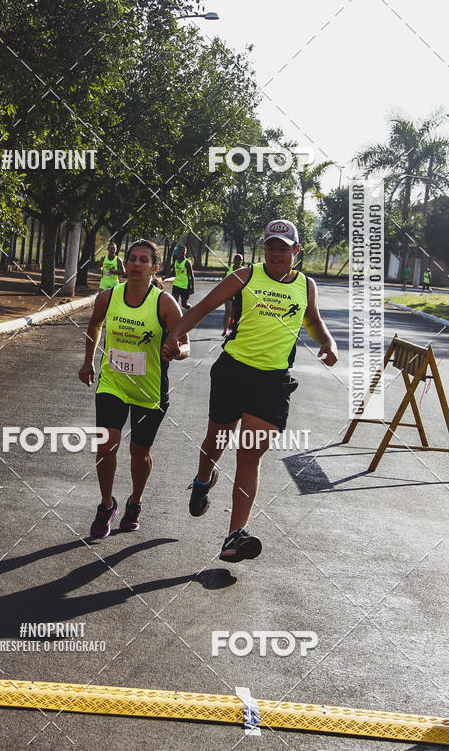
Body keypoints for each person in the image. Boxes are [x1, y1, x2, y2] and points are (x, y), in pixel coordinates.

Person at [162, 219, 338, 563]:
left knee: (249, 454)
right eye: (271, 246)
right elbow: (201, 308)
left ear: (296, 251)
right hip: (233, 372)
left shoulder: (306, 285)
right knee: (216, 441)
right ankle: (202, 480)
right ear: (264, 250)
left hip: (272, 382)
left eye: (283, 248)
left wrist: (328, 343)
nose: (276, 253)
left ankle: (234, 536)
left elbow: (312, 320)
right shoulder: (245, 276)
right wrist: (175, 334)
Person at [79, 239, 190, 538]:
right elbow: (94, 326)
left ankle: (135, 502)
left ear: (155, 267)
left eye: (144, 260)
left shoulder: (164, 303)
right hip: (113, 383)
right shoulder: (108, 297)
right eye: (132, 259)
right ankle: (105, 505)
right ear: (125, 264)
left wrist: (176, 352)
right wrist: (88, 362)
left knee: (140, 453)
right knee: (106, 444)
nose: (137, 264)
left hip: (149, 390)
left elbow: (186, 346)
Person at [222, 252, 244, 336]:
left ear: (242, 261)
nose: (238, 261)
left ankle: (231, 322)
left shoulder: (244, 270)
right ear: (233, 260)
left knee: (234, 314)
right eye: (236, 259)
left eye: (240, 259)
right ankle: (225, 330)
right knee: (228, 311)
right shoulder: (229, 269)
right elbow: (223, 279)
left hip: (238, 295)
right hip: (229, 293)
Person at [172, 244, 194, 310]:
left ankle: (191, 310)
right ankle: (176, 318)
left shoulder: (187, 262)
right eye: (181, 250)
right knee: (174, 303)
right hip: (176, 284)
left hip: (185, 285)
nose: (182, 252)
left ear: (185, 252)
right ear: (178, 251)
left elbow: (191, 275)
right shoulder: (175, 261)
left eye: (184, 251)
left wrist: (192, 288)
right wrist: (165, 277)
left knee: (184, 305)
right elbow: (173, 272)